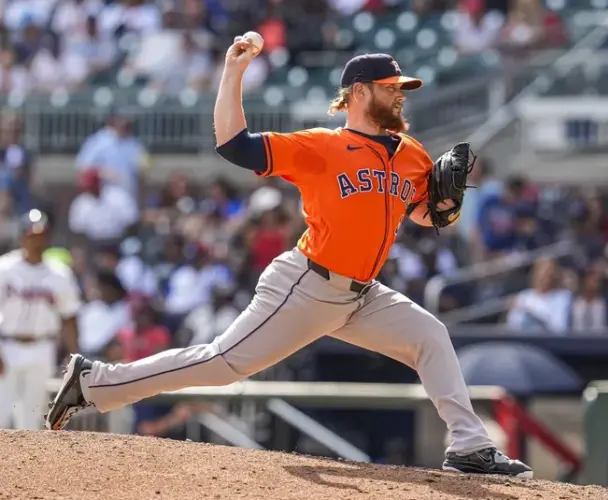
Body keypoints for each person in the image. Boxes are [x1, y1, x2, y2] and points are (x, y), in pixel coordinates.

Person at [45, 39, 533, 478]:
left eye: (401, 86)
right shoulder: (322, 146)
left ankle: (470, 445)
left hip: (363, 294)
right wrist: (233, 73)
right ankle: (94, 381)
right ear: (358, 93)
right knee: (222, 364)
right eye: (391, 87)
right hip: (307, 284)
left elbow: (424, 214)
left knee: (431, 335)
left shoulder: (412, 155)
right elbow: (233, 146)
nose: (400, 94)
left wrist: (445, 207)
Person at [0, 209, 82, 429]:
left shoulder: (60, 273)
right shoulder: (4, 268)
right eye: (32, 235)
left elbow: (70, 316)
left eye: (41, 235)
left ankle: (24, 464)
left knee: (32, 416)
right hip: (6, 346)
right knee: (1, 412)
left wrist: (74, 356)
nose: (37, 240)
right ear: (21, 237)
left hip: (42, 346)